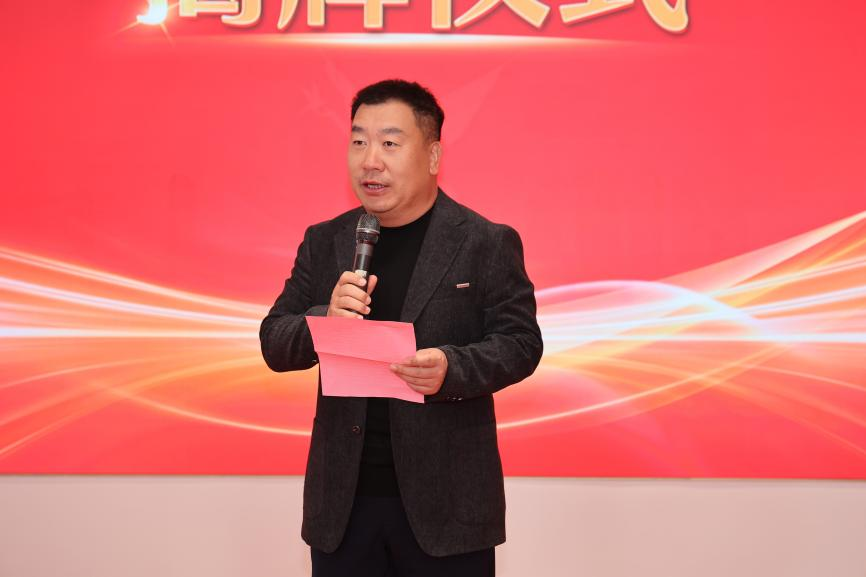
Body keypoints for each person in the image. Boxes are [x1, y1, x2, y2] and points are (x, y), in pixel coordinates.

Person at [259, 79, 543, 577]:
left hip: (447, 508)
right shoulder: (326, 241)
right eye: (358, 141)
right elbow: (274, 341)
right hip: (343, 509)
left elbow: (521, 343)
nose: (370, 161)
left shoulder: (485, 242)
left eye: (390, 143)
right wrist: (323, 321)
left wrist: (452, 368)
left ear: (432, 156)